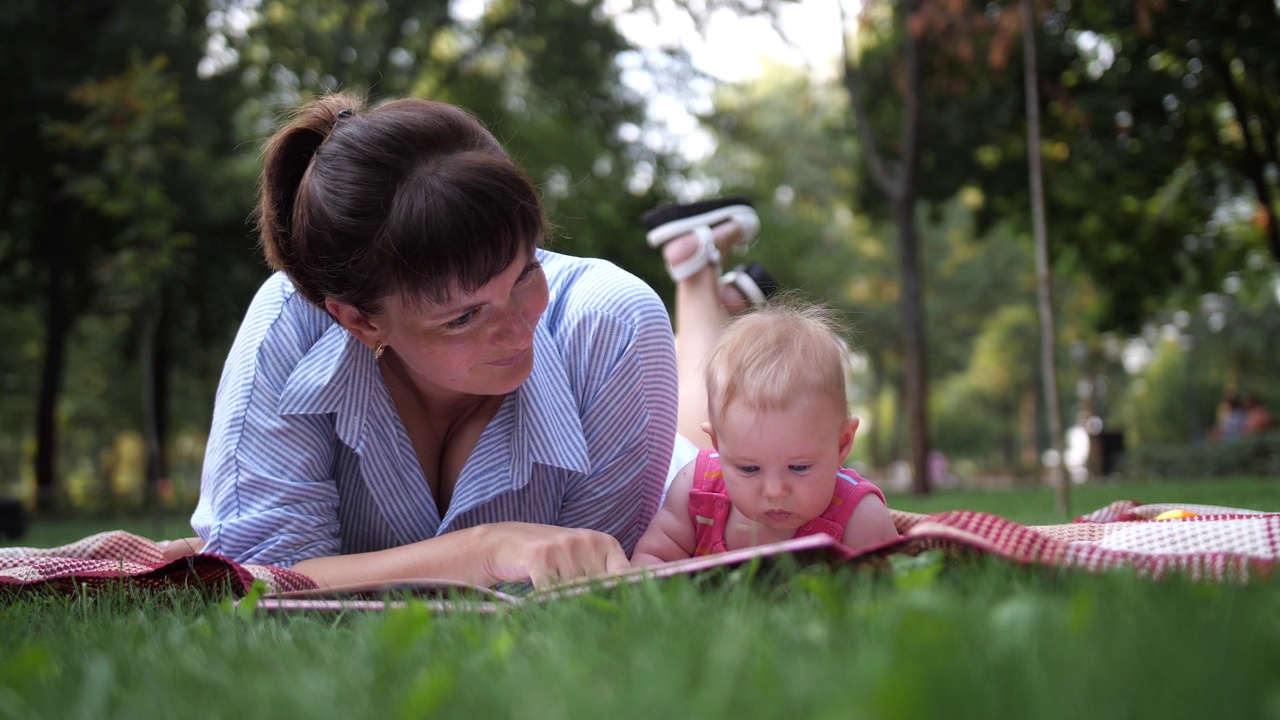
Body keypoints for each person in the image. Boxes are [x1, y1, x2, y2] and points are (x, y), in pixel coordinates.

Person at [188, 92, 680, 590]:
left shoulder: (613, 327)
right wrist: (480, 551)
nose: (517, 328)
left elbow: (588, 588)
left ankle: (696, 271)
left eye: (525, 273)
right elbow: (255, 583)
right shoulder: (289, 325)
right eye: (463, 317)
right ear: (360, 322)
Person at [631, 300, 901, 565]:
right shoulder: (696, 492)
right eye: (749, 469)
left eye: (799, 467)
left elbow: (887, 594)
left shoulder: (859, 517)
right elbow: (653, 558)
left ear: (842, 444)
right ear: (718, 445)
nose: (774, 491)